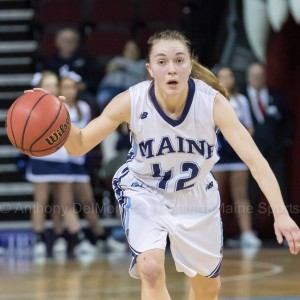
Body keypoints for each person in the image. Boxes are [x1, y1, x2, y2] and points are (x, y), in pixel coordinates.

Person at [27, 30, 300, 300]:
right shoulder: (131, 101)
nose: (171, 69)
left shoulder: (212, 103)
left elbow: (255, 160)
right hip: (144, 190)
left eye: (179, 60)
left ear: (190, 65)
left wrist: (281, 213)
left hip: (196, 197)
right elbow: (79, 144)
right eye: (162, 62)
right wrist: (57, 118)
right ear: (150, 68)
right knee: (151, 269)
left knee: (208, 288)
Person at [59, 68, 127, 253]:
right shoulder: (57, 106)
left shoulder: (84, 108)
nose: (69, 91)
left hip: (79, 161)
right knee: (65, 202)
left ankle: (100, 237)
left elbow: (86, 136)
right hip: (61, 161)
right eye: (65, 87)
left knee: (88, 201)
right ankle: (77, 238)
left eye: (72, 87)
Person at [25, 71, 88, 259]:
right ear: (40, 87)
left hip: (62, 159)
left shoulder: (65, 106)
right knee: (41, 202)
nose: (52, 88)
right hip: (41, 159)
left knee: (65, 202)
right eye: (48, 85)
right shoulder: (32, 107)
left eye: (54, 84)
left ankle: (72, 237)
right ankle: (39, 239)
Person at [212, 66, 261, 248]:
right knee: (214, 196)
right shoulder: (210, 100)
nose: (226, 79)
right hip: (217, 155)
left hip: (237, 154)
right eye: (222, 76)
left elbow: (249, 127)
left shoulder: (241, 101)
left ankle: (247, 233)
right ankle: (212, 235)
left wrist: (240, 140)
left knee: (241, 194)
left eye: (229, 75)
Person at [242, 62, 293, 208]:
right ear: (248, 77)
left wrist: (285, 142)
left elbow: (288, 120)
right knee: (251, 192)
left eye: (260, 75)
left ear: (265, 76)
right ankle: (250, 229)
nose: (256, 78)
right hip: (250, 154)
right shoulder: (240, 97)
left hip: (275, 153)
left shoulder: (277, 95)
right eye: (253, 75)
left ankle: (286, 226)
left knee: (281, 190)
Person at [96, 39, 147, 111]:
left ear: (139, 51)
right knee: (102, 98)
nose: (131, 51)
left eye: (134, 49)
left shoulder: (142, 64)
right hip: (110, 87)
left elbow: (144, 77)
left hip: (130, 91)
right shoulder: (117, 59)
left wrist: (125, 67)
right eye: (128, 49)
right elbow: (109, 69)